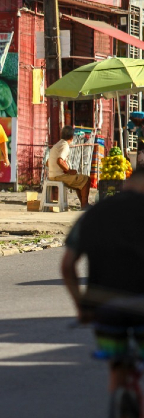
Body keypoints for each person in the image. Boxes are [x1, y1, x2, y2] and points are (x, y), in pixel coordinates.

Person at [61, 166, 144, 398]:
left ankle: (117, 392)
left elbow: (67, 266)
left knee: (116, 365)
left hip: (103, 306)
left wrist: (82, 307)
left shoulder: (94, 214)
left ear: (126, 185)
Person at [47, 125, 91, 210]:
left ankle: (83, 204)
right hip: (59, 176)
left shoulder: (56, 145)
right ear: (71, 137)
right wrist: (69, 170)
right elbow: (59, 161)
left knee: (79, 182)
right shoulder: (65, 145)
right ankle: (85, 205)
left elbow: (47, 163)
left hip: (52, 175)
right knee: (86, 179)